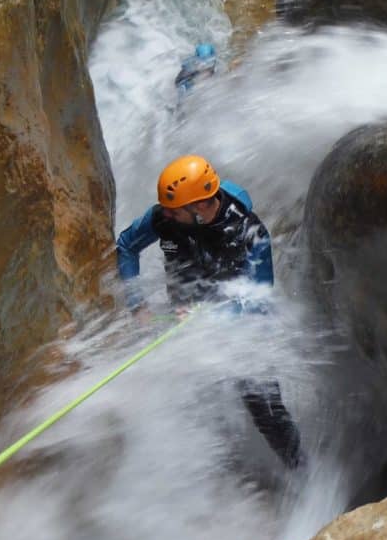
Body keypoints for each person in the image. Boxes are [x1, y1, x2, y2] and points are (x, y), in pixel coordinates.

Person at [116, 154, 307, 471]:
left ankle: (303, 472)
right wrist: (137, 304)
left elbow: (257, 297)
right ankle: (213, 477)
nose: (164, 214)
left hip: (245, 329)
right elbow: (126, 246)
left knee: (266, 411)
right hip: (184, 321)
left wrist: (209, 317)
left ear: (201, 208)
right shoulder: (164, 218)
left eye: (173, 210)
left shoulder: (249, 233)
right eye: (165, 208)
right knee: (193, 403)